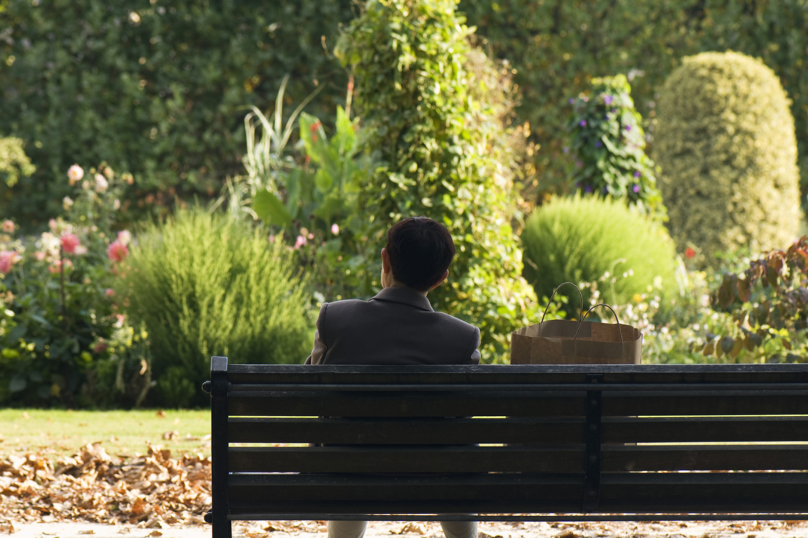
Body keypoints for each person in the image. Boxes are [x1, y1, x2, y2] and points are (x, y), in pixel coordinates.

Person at [305, 216, 480, 538]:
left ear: (386, 258)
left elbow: (311, 389)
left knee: (349, 453)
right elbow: (463, 421)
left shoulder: (336, 318)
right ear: (441, 278)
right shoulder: (462, 338)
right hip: (434, 476)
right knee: (456, 460)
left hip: (347, 468)